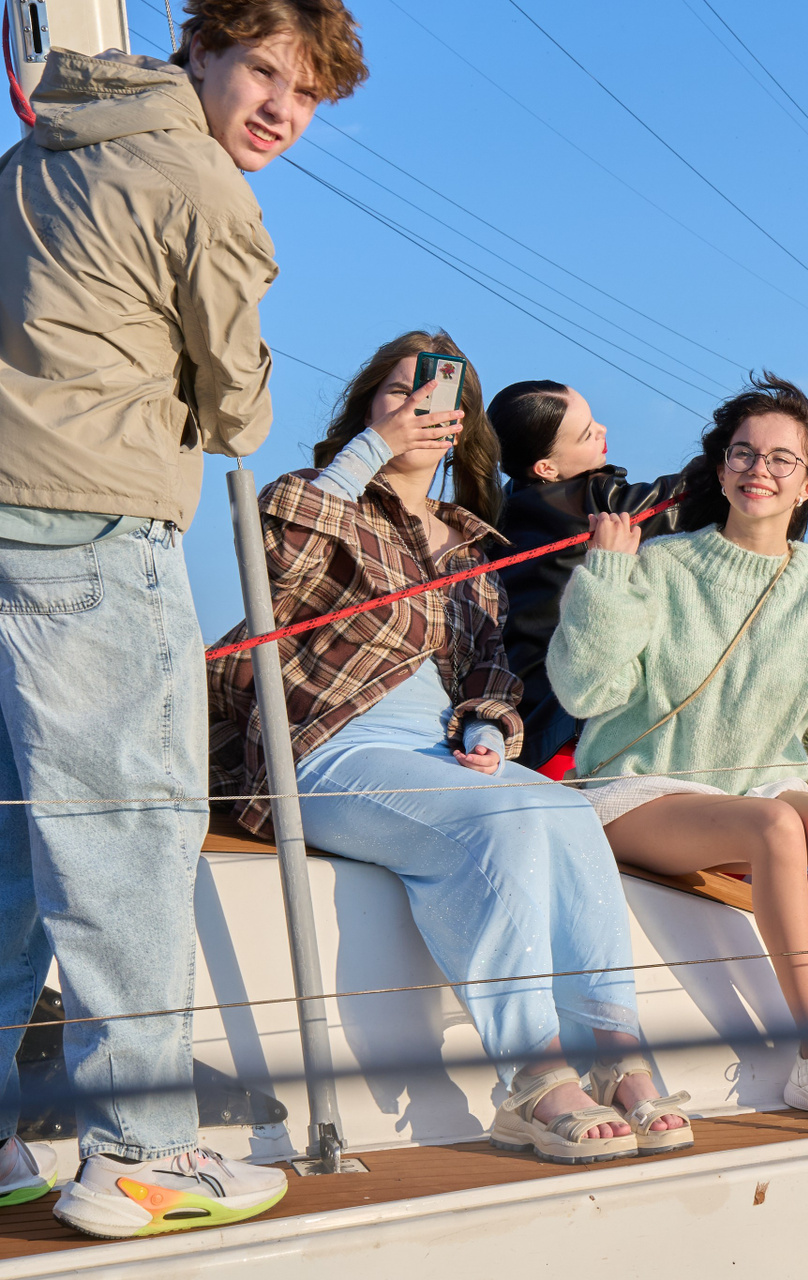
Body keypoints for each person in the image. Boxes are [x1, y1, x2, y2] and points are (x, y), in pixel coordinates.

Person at [0, 0, 366, 1238]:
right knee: (128, 841)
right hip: (92, 527)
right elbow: (241, 412)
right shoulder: (200, 184)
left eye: (306, 96)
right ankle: (141, 1152)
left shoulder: (38, 151)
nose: (282, 110)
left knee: (8, 851)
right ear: (198, 49)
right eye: (265, 72)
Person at [207, 330, 691, 1166]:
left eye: (441, 400)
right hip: (325, 749)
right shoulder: (319, 496)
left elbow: (490, 668)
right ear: (368, 404)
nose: (420, 409)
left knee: (563, 812)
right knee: (501, 825)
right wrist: (372, 449)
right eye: (402, 391)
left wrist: (485, 727)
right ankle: (533, 1083)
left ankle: (616, 1054)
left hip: (431, 751)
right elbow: (275, 562)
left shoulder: (470, 543)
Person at [547, 373, 808, 1124]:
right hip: (638, 789)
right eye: (743, 454)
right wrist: (605, 574)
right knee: (775, 824)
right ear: (720, 470)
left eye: (781, 459)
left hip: (754, 789)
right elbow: (586, 691)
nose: (758, 470)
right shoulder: (662, 566)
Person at [490, 317, 808, 775]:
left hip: (520, 721)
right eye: (586, 433)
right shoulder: (594, 508)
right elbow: (704, 482)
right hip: (565, 730)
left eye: (593, 418)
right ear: (545, 467)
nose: (602, 429)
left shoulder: (507, 507)